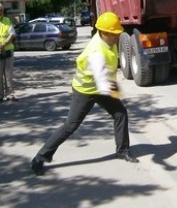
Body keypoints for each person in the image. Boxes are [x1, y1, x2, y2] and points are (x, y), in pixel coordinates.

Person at [30, 11, 138, 176]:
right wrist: (118, 94)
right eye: (113, 34)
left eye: (117, 33)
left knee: (120, 113)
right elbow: (103, 83)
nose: (116, 36)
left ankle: (122, 151)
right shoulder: (96, 53)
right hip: (85, 90)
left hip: (100, 87)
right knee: (70, 126)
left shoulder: (107, 39)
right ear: (103, 32)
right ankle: (40, 157)